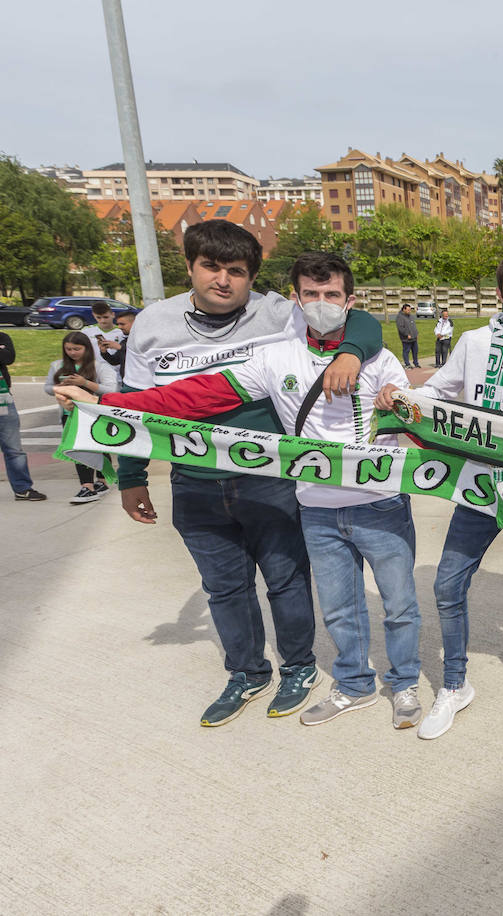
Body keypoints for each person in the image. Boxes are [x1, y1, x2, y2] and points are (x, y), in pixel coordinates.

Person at [60, 253, 423, 728]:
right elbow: (189, 397)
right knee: (338, 608)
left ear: (349, 302)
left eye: (332, 295)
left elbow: (420, 424)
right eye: (310, 295)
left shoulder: (378, 354)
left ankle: (404, 684)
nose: (321, 304)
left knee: (399, 605)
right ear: (295, 300)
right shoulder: (274, 358)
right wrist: (109, 401)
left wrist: (399, 405)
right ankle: (353, 685)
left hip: (381, 505)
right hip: (315, 507)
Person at [117, 219, 382, 727]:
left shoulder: (278, 312)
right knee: (224, 586)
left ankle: (299, 666)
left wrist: (348, 351)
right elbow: (131, 410)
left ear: (252, 276)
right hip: (193, 481)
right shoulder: (152, 323)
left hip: (269, 479)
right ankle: (246, 672)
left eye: (236, 271)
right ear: (190, 266)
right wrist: (130, 479)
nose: (223, 280)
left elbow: (362, 320)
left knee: (286, 579)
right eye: (210, 267)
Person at [376, 251, 503, 739]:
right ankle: (455, 684)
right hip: (477, 490)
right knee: (446, 585)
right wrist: (402, 397)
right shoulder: (474, 342)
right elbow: (438, 391)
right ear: (500, 297)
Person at [44, 332, 118, 503]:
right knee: (77, 449)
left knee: (100, 447)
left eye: (77, 349)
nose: (72, 352)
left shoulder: (99, 366)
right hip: (69, 414)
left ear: (87, 349)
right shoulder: (57, 365)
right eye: (68, 349)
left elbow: (111, 389)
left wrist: (84, 383)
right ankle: (87, 486)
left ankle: (102, 480)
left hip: (95, 414)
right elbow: (47, 388)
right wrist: (60, 387)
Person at [0, 330, 45, 501]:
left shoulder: (3, 337)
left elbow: (7, 358)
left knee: (13, 448)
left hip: (2, 400)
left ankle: (22, 488)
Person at [83, 302, 127, 378]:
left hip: (117, 374)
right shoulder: (86, 331)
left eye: (106, 317)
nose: (102, 321)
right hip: (95, 373)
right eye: (98, 317)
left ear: (113, 315)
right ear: (94, 316)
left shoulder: (122, 332)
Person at [396, 304, 419, 369]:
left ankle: (416, 363)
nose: (409, 311)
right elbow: (400, 328)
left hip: (414, 337)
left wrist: (416, 333)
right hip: (406, 338)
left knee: (415, 351)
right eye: (408, 310)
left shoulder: (410, 316)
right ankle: (407, 364)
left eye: (410, 310)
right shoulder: (400, 317)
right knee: (406, 351)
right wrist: (406, 334)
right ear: (404, 309)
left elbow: (414, 326)